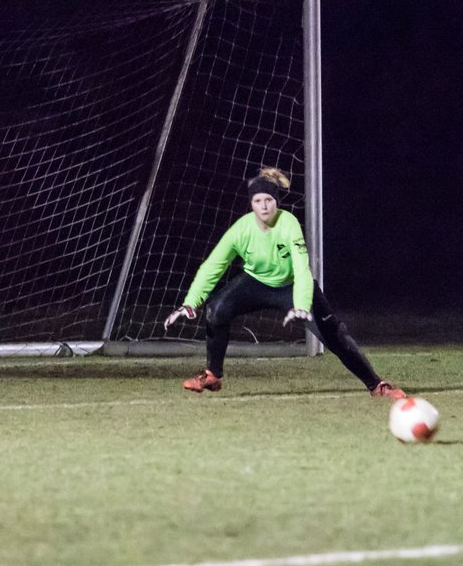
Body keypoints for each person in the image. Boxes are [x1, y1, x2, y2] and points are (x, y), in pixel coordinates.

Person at [164, 166, 406, 398]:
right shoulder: (241, 229)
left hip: (292, 285)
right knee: (216, 310)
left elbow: (302, 268)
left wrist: (301, 303)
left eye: (268, 200)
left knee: (334, 337)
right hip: (255, 283)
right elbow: (213, 266)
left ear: (276, 201)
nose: (263, 206)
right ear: (251, 204)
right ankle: (212, 375)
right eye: (257, 201)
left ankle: (376, 385)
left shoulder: (288, 223)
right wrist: (190, 302)